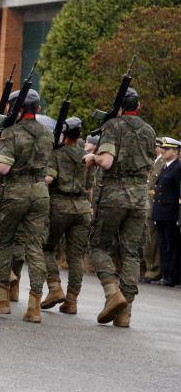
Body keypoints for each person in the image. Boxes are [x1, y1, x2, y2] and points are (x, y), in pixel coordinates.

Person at [84, 87, 156, 328]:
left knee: (98, 247)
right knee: (131, 254)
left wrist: (92, 158)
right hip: (139, 198)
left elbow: (107, 161)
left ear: (119, 106)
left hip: (114, 195)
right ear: (140, 105)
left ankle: (112, 292)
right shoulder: (149, 130)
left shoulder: (113, 126)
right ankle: (126, 312)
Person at [0, 89, 53, 323]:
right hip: (40, 191)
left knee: (3, 242)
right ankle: (34, 306)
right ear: (38, 109)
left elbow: (3, 167)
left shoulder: (11, 133)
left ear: (17, 110)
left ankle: (2, 298)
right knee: (34, 247)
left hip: (16, 191)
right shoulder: (47, 134)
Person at [41, 117, 92, 314]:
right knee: (76, 257)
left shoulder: (57, 153)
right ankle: (71, 301)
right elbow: (89, 187)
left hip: (60, 205)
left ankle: (54, 288)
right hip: (82, 207)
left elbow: (48, 178)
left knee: (46, 247)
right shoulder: (87, 156)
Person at [151, 137, 181, 287]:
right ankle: (166, 274)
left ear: (176, 151)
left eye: (167, 149)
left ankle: (172, 277)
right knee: (163, 245)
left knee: (172, 245)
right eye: (163, 148)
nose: (163, 151)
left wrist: (178, 216)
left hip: (171, 213)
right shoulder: (165, 167)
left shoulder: (178, 167)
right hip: (161, 213)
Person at [141, 138, 165, 283]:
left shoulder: (163, 163)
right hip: (147, 203)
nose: (155, 148)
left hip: (155, 203)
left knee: (153, 240)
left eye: (156, 146)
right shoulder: (155, 160)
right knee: (148, 239)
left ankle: (154, 270)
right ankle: (150, 268)